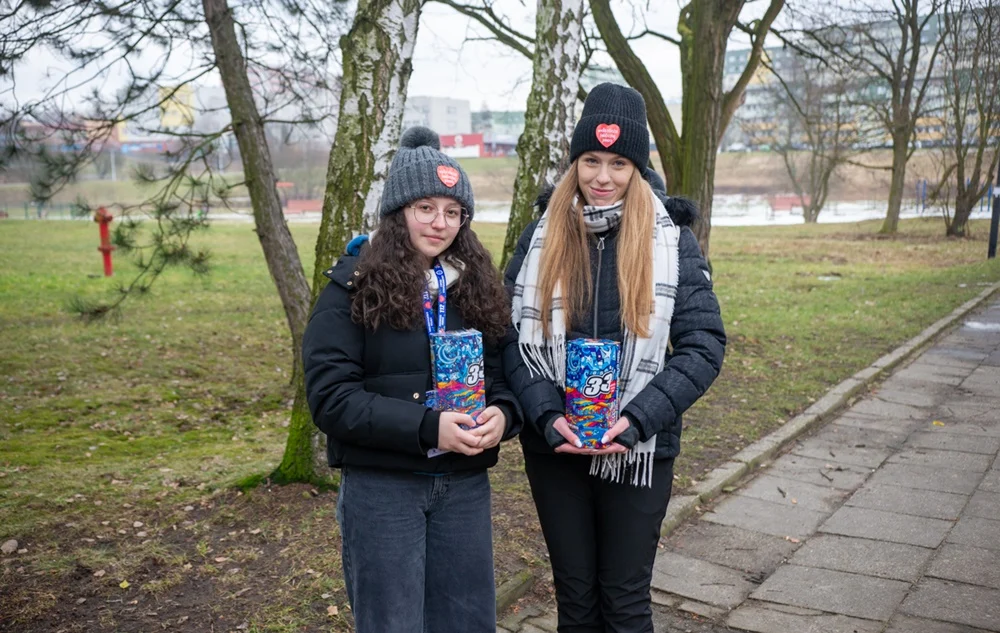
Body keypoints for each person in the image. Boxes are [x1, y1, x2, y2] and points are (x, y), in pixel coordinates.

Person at [502, 83, 726, 632]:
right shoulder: (539, 238)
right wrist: (546, 414)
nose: (602, 177)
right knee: (576, 603)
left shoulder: (672, 240)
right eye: (591, 160)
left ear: (637, 167)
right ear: (575, 163)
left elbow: (703, 344)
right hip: (556, 447)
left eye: (619, 163)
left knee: (625, 604)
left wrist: (639, 419)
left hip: (639, 446)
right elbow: (508, 337)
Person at [302, 126, 522, 633]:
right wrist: (427, 427)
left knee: (467, 622)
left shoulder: (476, 286)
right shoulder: (352, 287)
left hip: (463, 485)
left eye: (453, 211)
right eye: (426, 207)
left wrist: (504, 414)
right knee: (393, 623)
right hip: (383, 489)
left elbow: (504, 375)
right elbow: (331, 398)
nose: (440, 223)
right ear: (398, 212)